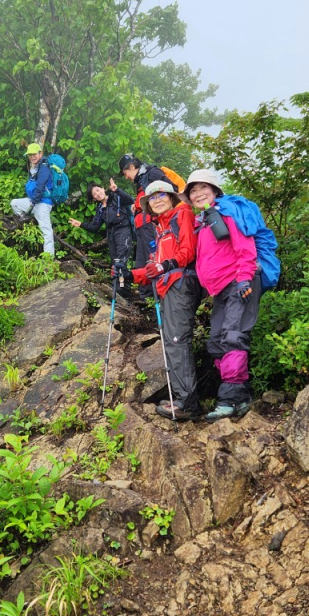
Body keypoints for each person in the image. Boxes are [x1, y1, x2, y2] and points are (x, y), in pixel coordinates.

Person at [121, 180, 203, 421]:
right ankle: (181, 398)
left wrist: (166, 265)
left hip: (182, 284)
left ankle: (187, 403)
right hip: (168, 287)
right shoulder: (160, 227)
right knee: (171, 341)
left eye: (161, 196)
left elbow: (188, 251)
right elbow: (153, 269)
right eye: (152, 198)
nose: (156, 200)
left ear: (171, 197)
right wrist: (130, 275)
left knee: (177, 341)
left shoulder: (182, 214)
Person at [183, 169, 259, 421]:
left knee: (233, 337)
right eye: (193, 190)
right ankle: (242, 395)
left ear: (215, 191)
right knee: (216, 340)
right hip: (220, 291)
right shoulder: (204, 220)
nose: (197, 194)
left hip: (239, 283)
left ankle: (230, 399)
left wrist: (245, 278)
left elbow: (245, 246)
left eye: (203, 188)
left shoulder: (226, 213)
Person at [118, 154, 175, 299]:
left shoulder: (152, 173)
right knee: (141, 260)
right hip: (142, 226)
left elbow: (172, 189)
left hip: (151, 225)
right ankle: (146, 296)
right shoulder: (142, 179)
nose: (126, 177)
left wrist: (154, 212)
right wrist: (137, 208)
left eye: (125, 173)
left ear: (131, 167)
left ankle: (157, 294)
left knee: (153, 257)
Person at [69, 178, 135, 298]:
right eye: (95, 194)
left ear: (103, 189)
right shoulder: (100, 209)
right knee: (115, 262)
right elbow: (95, 227)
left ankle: (123, 291)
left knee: (121, 261)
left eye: (98, 190)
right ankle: (120, 289)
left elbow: (130, 200)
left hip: (123, 231)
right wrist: (81, 224)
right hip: (111, 234)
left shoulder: (116, 197)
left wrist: (117, 190)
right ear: (94, 199)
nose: (98, 194)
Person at [10, 143, 55, 256]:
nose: (32, 157)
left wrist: (32, 205)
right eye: (30, 155)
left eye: (34, 154)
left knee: (47, 231)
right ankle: (27, 221)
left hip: (43, 203)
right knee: (14, 203)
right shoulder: (36, 167)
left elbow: (40, 187)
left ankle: (49, 258)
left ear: (40, 153)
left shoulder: (44, 167)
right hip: (34, 201)